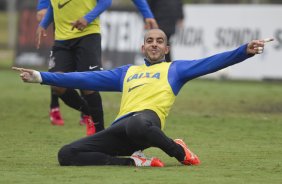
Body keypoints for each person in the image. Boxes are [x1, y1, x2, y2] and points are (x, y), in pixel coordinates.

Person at [13, 29, 273, 167]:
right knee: (67, 154)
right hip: (121, 131)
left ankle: (178, 150)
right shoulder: (127, 72)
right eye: (150, 40)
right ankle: (133, 162)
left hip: (146, 123)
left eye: (160, 41)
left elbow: (212, 62)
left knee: (137, 123)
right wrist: (40, 77)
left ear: (166, 48)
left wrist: (244, 51)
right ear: (143, 47)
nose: (155, 44)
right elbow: (82, 78)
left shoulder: (175, 69)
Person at [35, 0, 158, 135]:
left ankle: (100, 133)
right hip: (61, 39)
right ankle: (88, 111)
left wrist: (87, 18)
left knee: (88, 84)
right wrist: (43, 24)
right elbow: (54, 4)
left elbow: (105, 2)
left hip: (87, 35)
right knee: (56, 84)